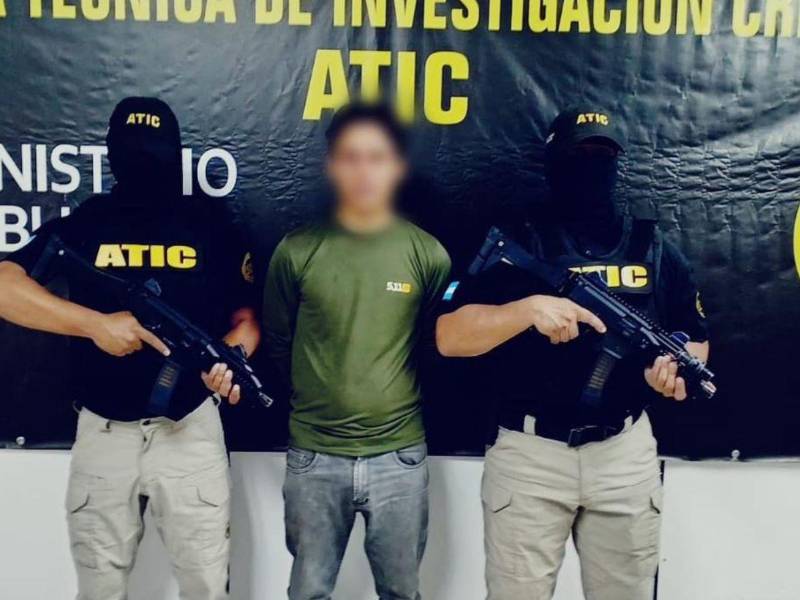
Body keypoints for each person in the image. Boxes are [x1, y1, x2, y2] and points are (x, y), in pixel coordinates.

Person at [436, 107, 710, 600]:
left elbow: (694, 337)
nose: (591, 169)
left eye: (602, 156)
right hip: (530, 455)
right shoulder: (518, 240)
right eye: (579, 156)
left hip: (623, 454)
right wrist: (526, 310)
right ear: (553, 164)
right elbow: (449, 336)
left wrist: (675, 370)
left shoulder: (651, 246)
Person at [0, 97, 259, 600]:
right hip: (104, 431)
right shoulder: (86, 224)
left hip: (188, 428)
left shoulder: (212, 228)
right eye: (134, 150)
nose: (144, 162)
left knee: (207, 586)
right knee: (99, 588)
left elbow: (245, 320)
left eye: (153, 151)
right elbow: (6, 285)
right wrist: (95, 325)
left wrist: (230, 362)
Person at [263, 102, 451, 600]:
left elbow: (436, 346)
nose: (364, 171)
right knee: (308, 593)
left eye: (376, 157)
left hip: (399, 457)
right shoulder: (296, 251)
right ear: (332, 165)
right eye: (351, 157)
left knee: (401, 593)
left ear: (396, 166)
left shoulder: (428, 254)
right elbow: (278, 341)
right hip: (314, 456)